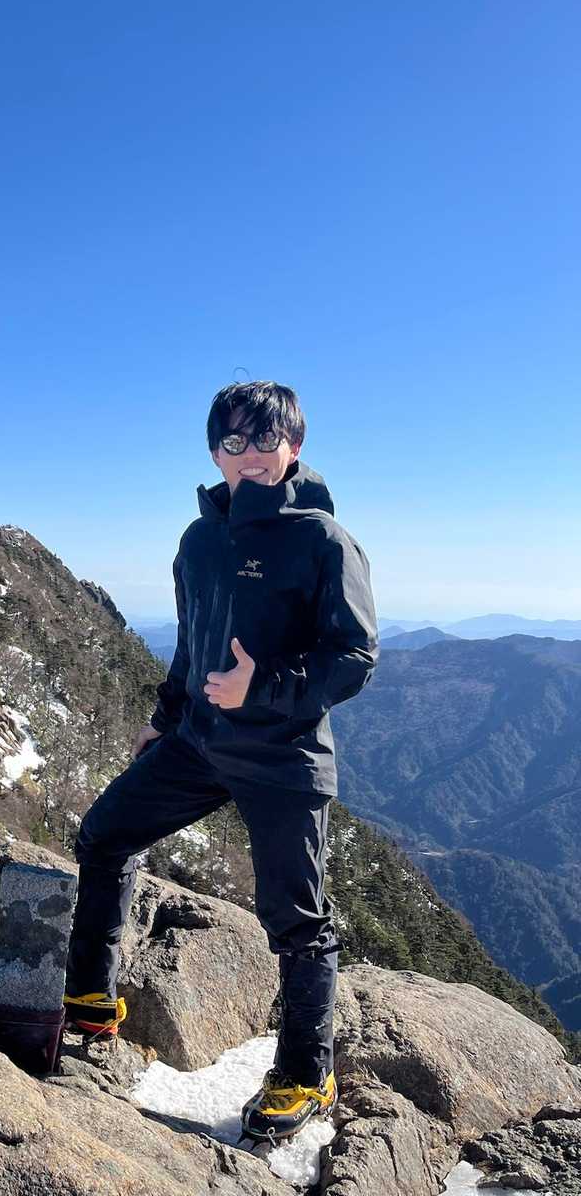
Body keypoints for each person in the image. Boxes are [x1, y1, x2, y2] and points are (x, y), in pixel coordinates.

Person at [62, 378, 378, 1141]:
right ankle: (91, 1002)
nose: (251, 454)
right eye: (235, 441)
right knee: (103, 836)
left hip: (283, 755)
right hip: (198, 742)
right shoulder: (198, 541)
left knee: (296, 921)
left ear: (294, 444)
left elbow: (354, 657)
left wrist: (259, 686)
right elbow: (192, 641)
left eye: (266, 439)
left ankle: (306, 1073)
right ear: (215, 453)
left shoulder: (324, 540)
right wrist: (164, 718)